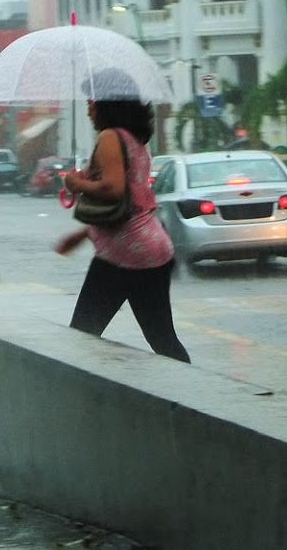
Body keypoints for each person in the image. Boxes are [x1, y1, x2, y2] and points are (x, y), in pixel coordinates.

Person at [54, 72, 190, 363]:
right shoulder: (134, 140)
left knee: (83, 333)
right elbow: (130, 204)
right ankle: (194, 394)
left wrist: (76, 184)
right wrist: (82, 235)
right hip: (151, 248)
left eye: (92, 101)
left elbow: (114, 190)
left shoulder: (109, 137)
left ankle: (82, 400)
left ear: (107, 103)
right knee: (162, 337)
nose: (89, 108)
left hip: (125, 254)